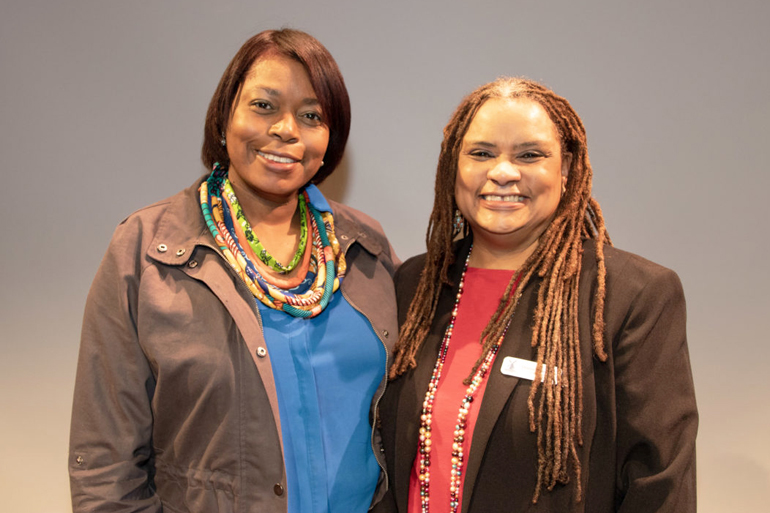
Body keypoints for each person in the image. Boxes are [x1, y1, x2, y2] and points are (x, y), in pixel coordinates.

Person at [69, 29, 398, 513]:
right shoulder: (144, 251)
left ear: (331, 139)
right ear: (225, 117)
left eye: (311, 116)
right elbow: (105, 466)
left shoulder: (367, 247)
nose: (287, 129)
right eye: (264, 106)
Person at [376, 77, 697, 513]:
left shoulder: (631, 297)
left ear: (565, 170)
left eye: (530, 155)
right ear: (454, 167)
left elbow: (660, 489)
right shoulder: (414, 283)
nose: (503, 172)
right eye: (482, 153)